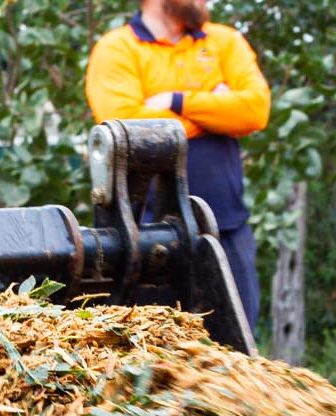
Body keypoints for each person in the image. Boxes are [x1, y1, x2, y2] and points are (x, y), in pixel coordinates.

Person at [85, 1, 271, 332]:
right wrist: (216, 110)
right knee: (160, 359)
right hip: (148, 242)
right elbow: (127, 129)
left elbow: (255, 109)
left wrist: (177, 100)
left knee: (240, 353)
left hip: (227, 231)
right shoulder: (117, 49)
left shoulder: (224, 41)